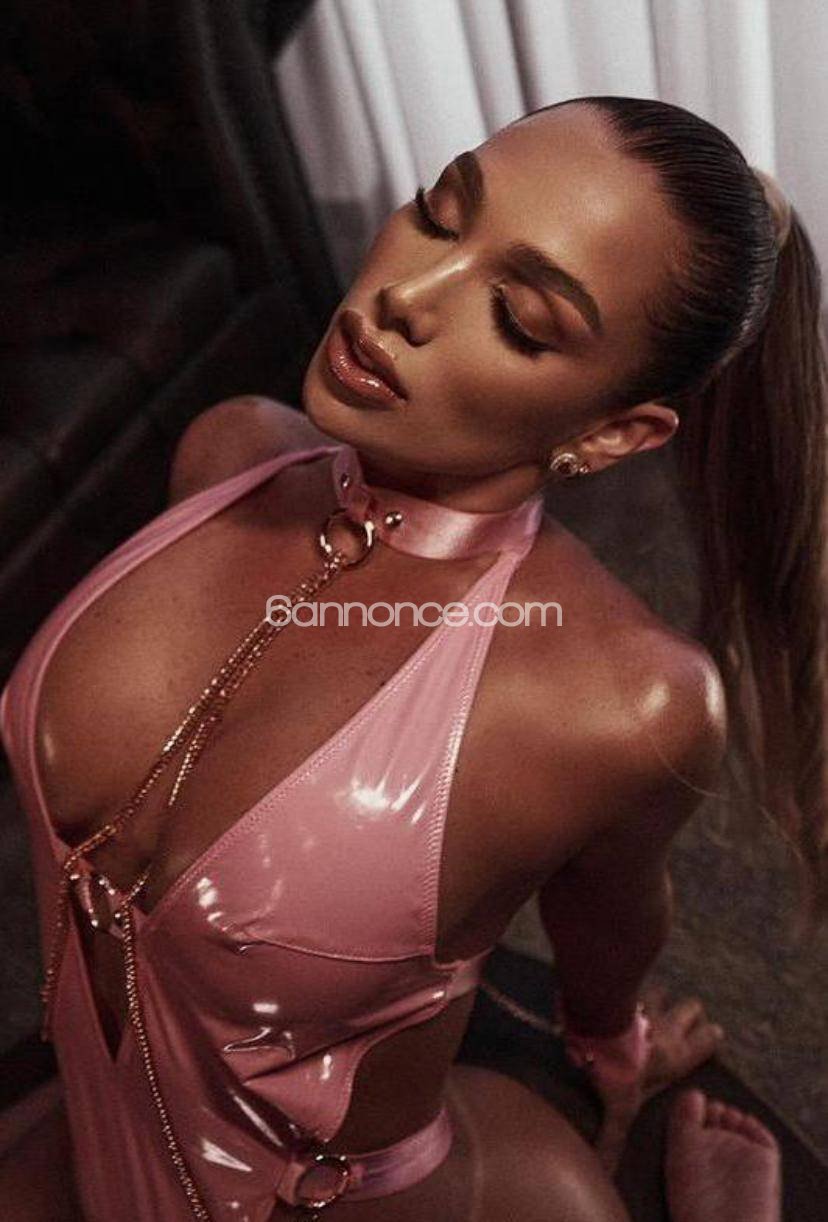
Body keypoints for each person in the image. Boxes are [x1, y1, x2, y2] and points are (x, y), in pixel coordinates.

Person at [0, 93, 822, 1220]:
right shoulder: (227, 451)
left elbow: (615, 910)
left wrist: (611, 1045)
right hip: (97, 1116)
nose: (407, 294)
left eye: (520, 317)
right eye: (440, 213)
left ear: (610, 435)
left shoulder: (634, 702)